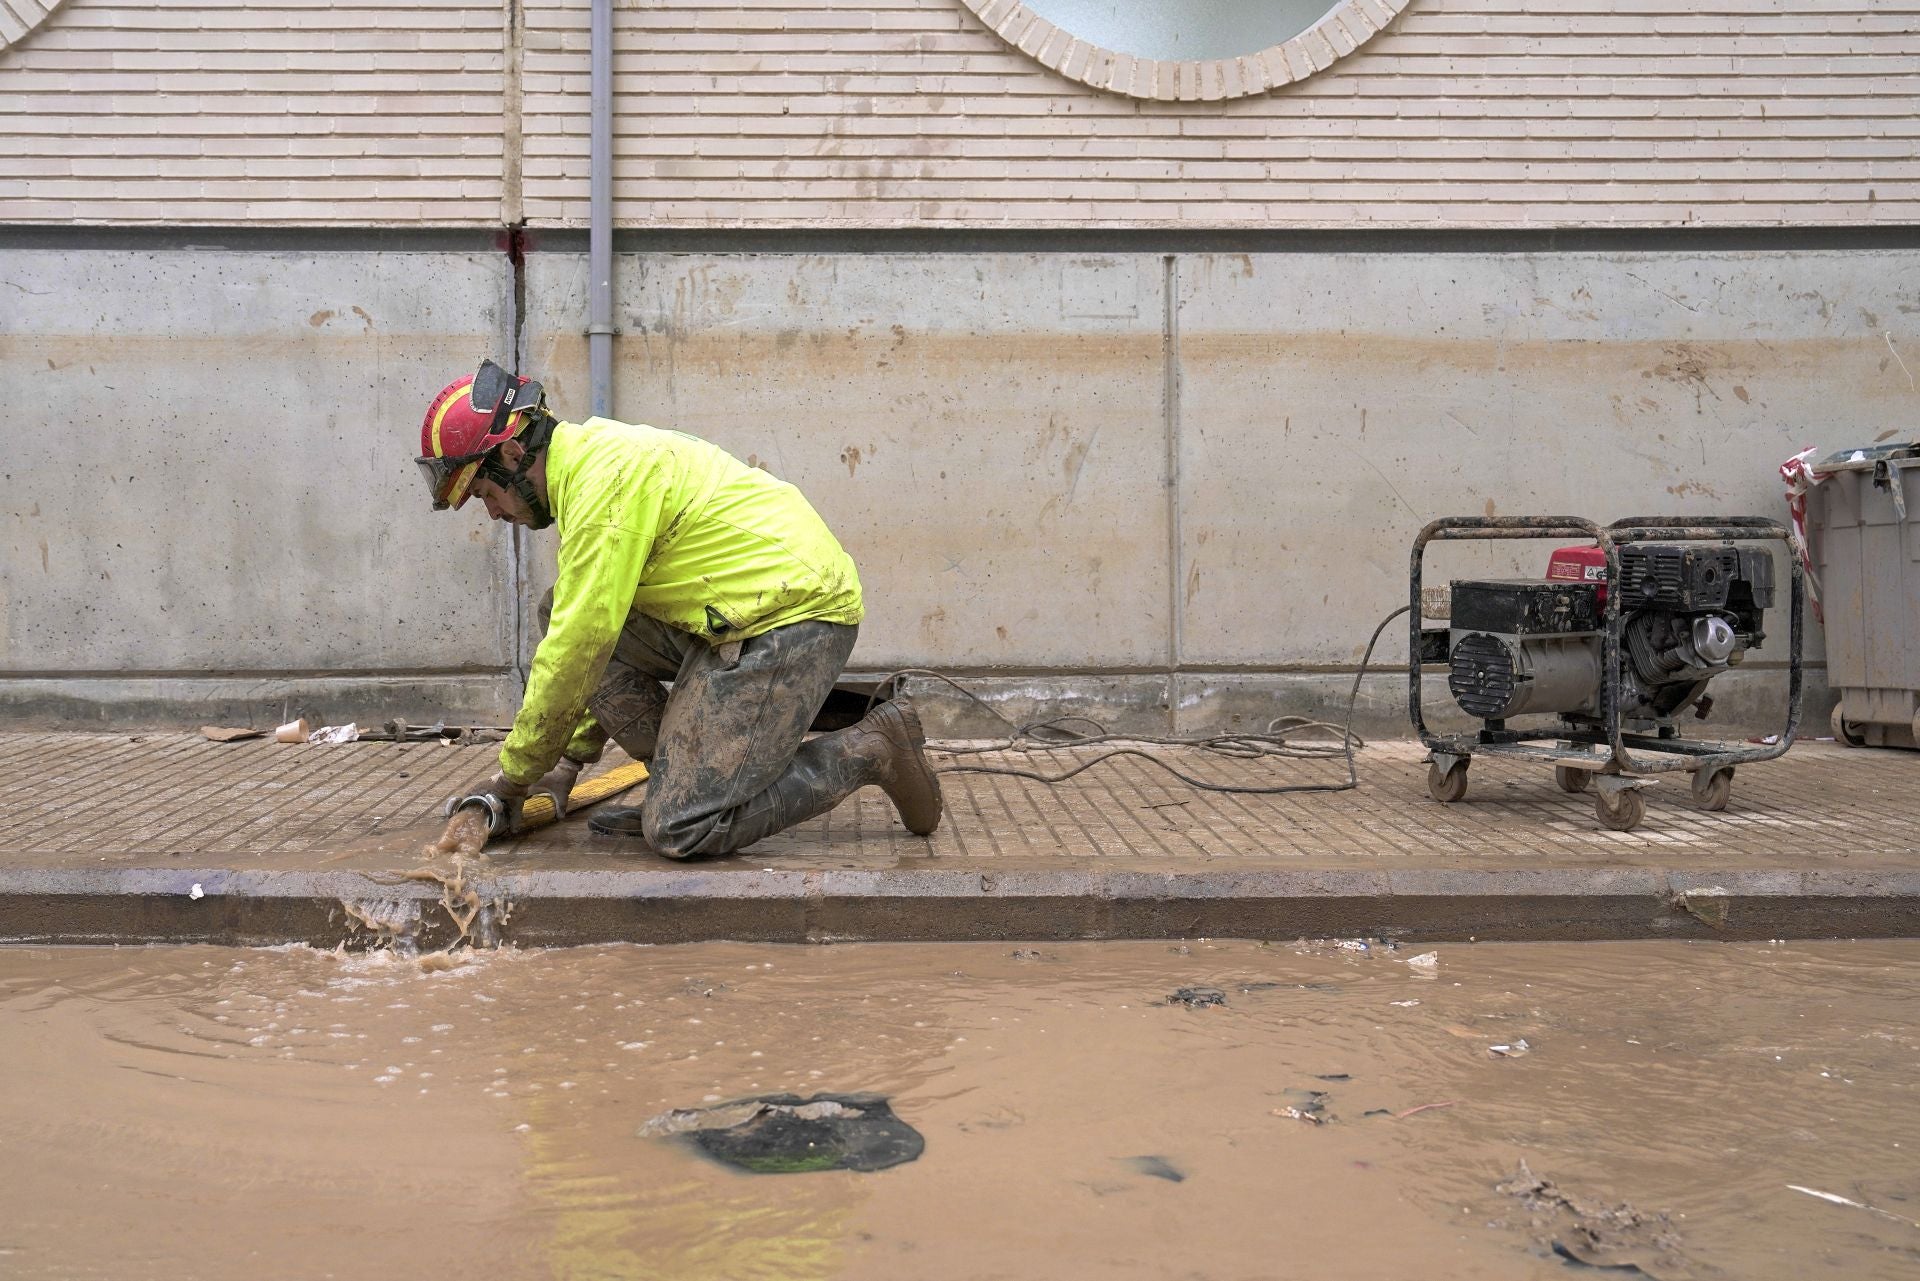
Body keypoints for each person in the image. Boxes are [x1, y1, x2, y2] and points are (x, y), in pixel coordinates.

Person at [414, 359, 942, 857]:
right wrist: (567, 762)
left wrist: (513, 780)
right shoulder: (592, 466)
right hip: (732, 616)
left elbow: (580, 646)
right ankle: (682, 787)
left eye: (485, 493)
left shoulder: (605, 485)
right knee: (561, 610)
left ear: (511, 455)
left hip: (793, 619)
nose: (492, 513)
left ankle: (872, 749)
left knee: (680, 830)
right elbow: (590, 638)